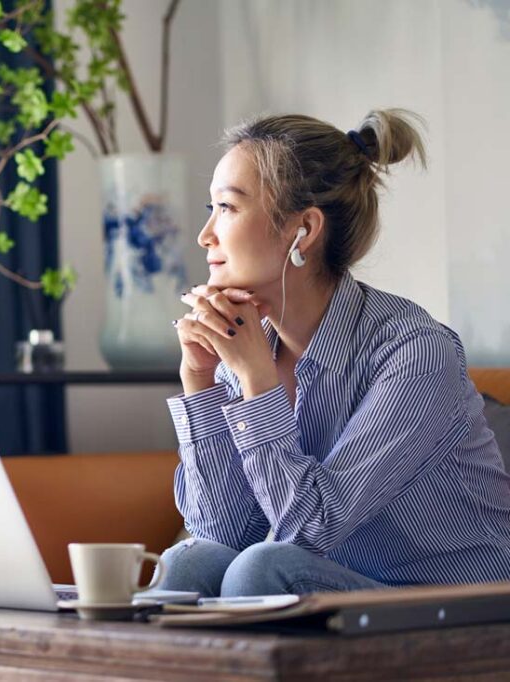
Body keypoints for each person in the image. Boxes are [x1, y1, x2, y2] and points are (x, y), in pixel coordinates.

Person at [159, 109, 510, 598]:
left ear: (303, 230)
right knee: (190, 564)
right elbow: (222, 533)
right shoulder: (248, 348)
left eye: (228, 208)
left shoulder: (414, 351)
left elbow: (311, 529)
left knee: (261, 572)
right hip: (348, 594)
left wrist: (258, 383)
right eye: (210, 208)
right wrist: (200, 383)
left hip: (468, 606)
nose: (206, 235)